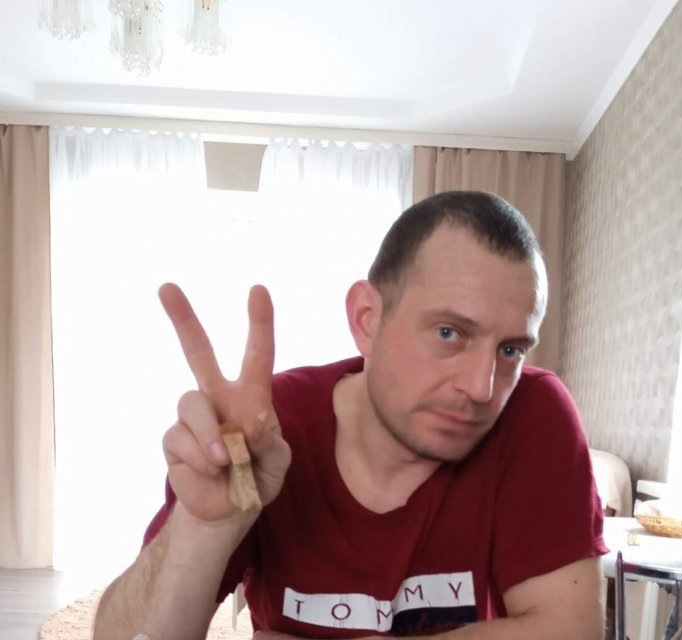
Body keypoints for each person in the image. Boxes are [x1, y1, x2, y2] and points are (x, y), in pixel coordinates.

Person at [93, 190, 607, 640]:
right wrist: (205, 528)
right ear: (367, 319)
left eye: (511, 350)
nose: (481, 387)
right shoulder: (267, 430)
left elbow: (571, 631)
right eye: (449, 333)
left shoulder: (532, 413)